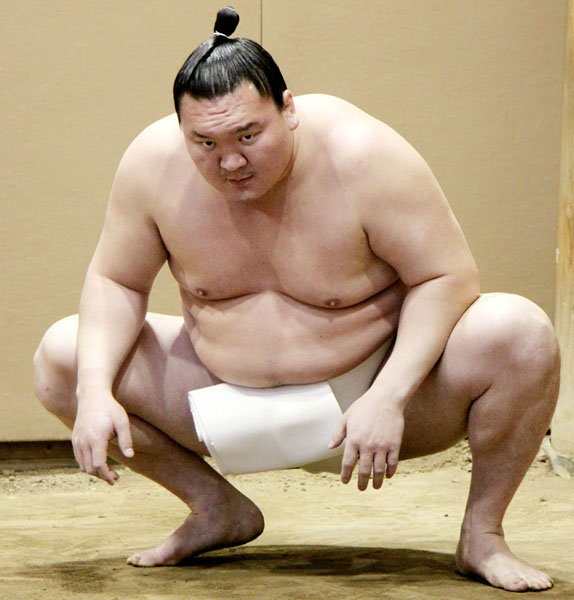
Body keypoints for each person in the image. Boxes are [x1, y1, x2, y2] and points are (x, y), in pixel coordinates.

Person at [33, 7, 560, 593]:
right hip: (219, 398)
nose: (230, 162)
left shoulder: (362, 154)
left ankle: (483, 536)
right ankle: (216, 508)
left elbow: (447, 278)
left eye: (248, 136)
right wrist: (95, 391)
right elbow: (117, 282)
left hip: (375, 399)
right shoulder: (152, 165)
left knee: (520, 332)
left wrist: (388, 395)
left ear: (288, 108)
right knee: (64, 358)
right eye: (204, 142)